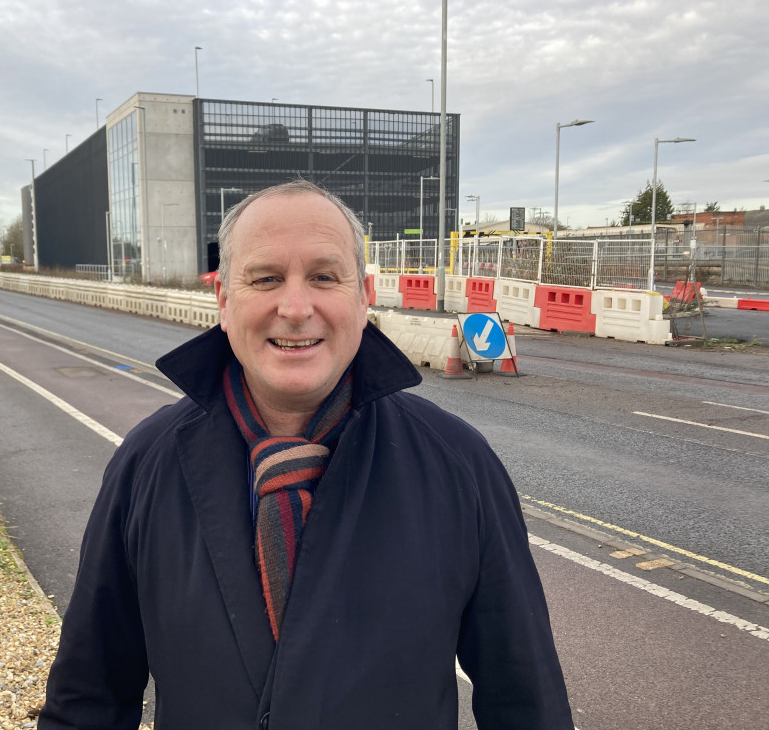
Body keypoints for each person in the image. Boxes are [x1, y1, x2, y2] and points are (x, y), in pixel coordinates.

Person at [38, 180, 573, 729]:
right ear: (224, 300)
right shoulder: (146, 464)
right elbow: (90, 696)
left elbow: (525, 699)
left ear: (362, 297)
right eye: (266, 278)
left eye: (323, 277)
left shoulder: (459, 465)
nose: (295, 308)